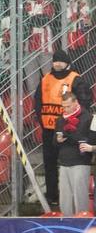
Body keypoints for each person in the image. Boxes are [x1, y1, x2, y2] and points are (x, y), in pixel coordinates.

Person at [35, 49, 90, 212]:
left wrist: (74, 124)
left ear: (67, 63)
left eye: (60, 61)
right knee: (50, 163)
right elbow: (37, 102)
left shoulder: (75, 79)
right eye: (55, 61)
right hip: (49, 130)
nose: (57, 64)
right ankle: (52, 196)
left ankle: (75, 204)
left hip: (70, 129)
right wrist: (43, 122)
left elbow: (85, 102)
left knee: (71, 164)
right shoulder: (46, 78)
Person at [58, 91, 93, 216]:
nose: (65, 109)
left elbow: (83, 138)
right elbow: (54, 142)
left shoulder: (87, 117)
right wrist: (59, 139)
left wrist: (66, 135)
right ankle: (66, 222)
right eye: (63, 107)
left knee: (80, 196)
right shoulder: (61, 119)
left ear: (76, 102)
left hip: (80, 161)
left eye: (68, 106)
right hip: (64, 161)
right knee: (64, 198)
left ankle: (82, 221)